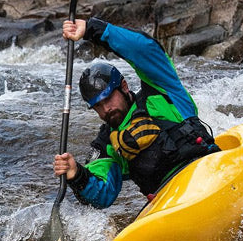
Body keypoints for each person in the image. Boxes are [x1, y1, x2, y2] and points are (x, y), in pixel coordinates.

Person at [53, 17, 219, 208]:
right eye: (98, 105)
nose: (106, 109)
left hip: (207, 170)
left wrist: (92, 29)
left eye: (108, 99)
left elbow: (144, 49)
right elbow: (102, 196)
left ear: (123, 86)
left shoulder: (162, 89)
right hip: (170, 201)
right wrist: (77, 175)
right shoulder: (107, 143)